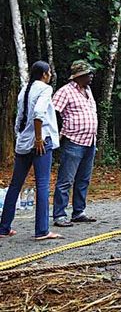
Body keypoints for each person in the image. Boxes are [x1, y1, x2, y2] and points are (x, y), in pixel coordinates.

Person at [0, 61, 62, 241]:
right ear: (44, 74)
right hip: (40, 141)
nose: (50, 75)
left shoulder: (24, 90)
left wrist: (22, 138)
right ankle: (42, 230)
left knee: (15, 184)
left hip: (23, 142)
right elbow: (38, 113)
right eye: (49, 72)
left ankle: (4, 227)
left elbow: (19, 118)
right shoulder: (44, 89)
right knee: (42, 184)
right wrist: (38, 138)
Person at [52, 60, 99, 227]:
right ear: (79, 76)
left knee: (83, 179)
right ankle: (59, 214)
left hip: (89, 141)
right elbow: (52, 112)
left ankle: (79, 211)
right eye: (88, 74)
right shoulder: (65, 92)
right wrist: (58, 133)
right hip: (73, 141)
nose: (91, 76)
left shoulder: (88, 90)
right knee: (66, 179)